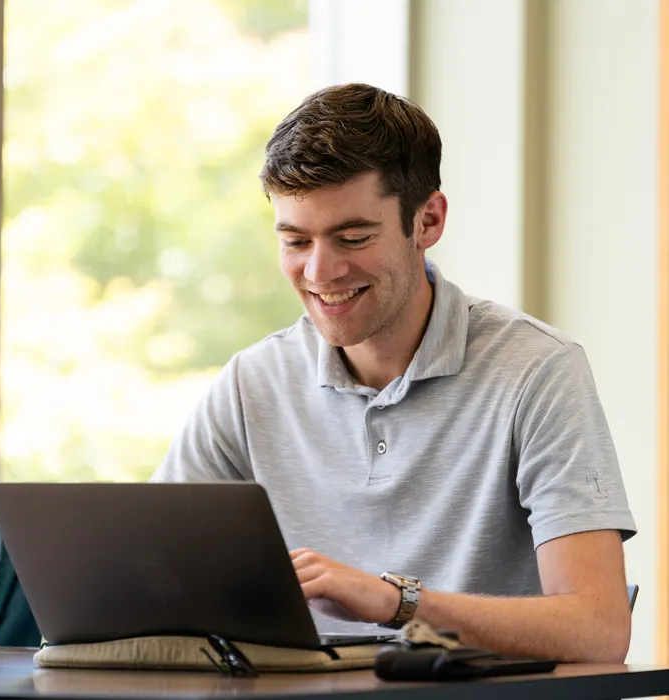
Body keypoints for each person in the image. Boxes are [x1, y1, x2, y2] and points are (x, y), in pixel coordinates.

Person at [151, 83, 636, 663]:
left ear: (427, 221)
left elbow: (598, 628)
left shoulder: (535, 371)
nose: (321, 271)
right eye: (295, 241)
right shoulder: (250, 383)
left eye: (353, 237)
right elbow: (150, 580)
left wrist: (394, 602)